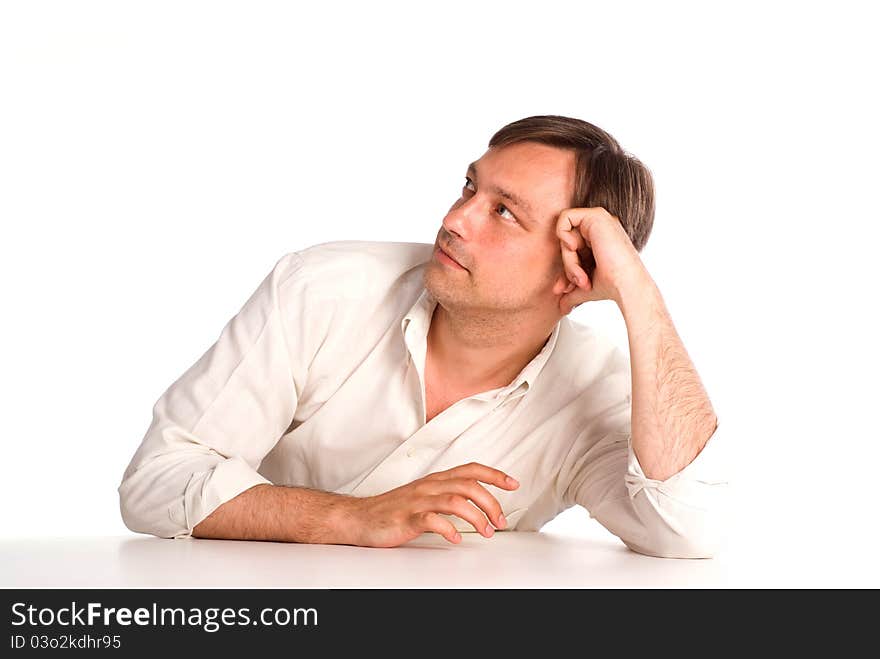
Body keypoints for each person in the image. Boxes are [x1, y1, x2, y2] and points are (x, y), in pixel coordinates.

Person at [118, 115, 726, 559]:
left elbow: (686, 526)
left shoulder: (592, 387)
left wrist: (639, 294)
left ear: (580, 268)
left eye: (504, 211)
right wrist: (352, 518)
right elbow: (158, 478)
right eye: (470, 188)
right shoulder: (324, 289)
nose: (454, 219)